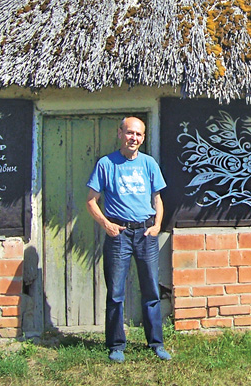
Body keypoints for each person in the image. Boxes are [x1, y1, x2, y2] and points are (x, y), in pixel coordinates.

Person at [86, 116, 171, 362]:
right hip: (119, 235)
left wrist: (157, 226)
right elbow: (91, 201)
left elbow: (157, 199)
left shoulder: (149, 164)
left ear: (143, 138)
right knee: (115, 292)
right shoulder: (106, 164)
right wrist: (106, 225)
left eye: (139, 135)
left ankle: (156, 343)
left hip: (146, 235)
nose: (134, 138)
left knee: (151, 290)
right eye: (130, 132)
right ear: (120, 133)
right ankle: (116, 346)